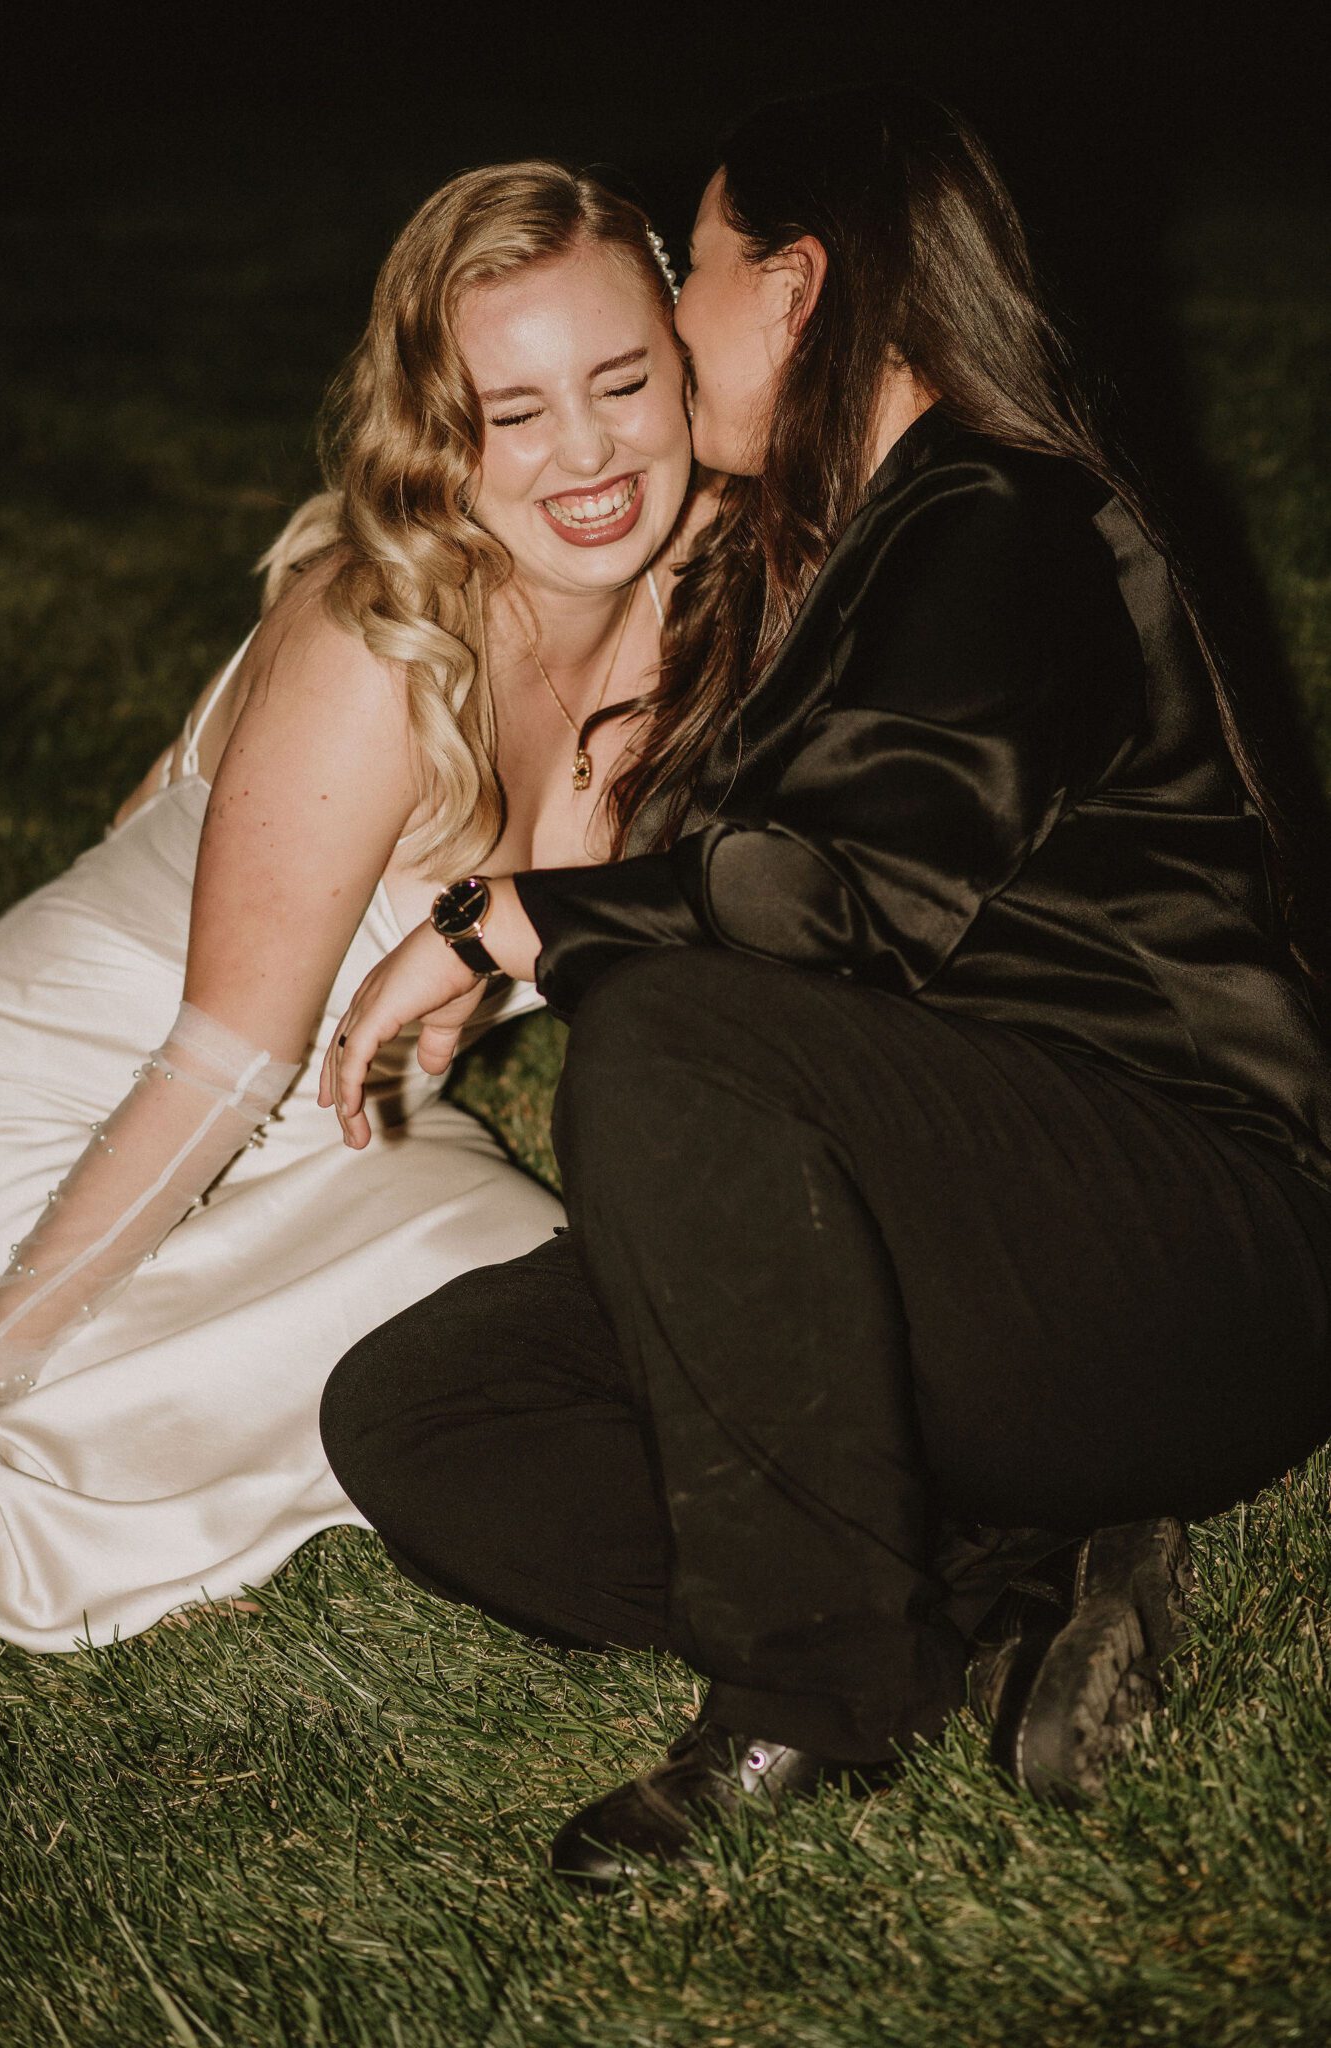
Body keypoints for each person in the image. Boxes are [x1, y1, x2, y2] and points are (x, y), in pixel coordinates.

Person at [318, 89, 1331, 1888]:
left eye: (685, 272)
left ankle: (819, 1693)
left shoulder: (1004, 523)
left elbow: (836, 897)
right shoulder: (848, 542)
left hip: (1193, 1259)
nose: (665, 311)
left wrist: (519, 924)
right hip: (961, 1253)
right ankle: (1004, 1582)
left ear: (792, 289)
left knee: (672, 1034)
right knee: (425, 1414)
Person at [0, 160, 699, 1651]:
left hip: (337, 1133)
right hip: (84, 1114)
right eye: (515, 414)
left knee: (557, 1313)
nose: (588, 453)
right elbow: (221, 1050)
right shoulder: (383, 634)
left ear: (690, 364)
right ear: (443, 433)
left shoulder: (707, 603)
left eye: (623, 382)